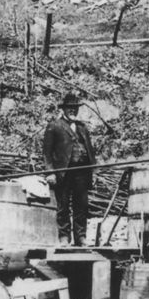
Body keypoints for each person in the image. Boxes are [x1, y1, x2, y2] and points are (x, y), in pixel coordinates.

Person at [43, 92, 97, 246]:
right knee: (63, 206)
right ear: (64, 109)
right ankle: (64, 237)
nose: (73, 110)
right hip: (63, 173)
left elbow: (90, 150)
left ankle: (81, 237)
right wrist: (50, 172)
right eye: (70, 108)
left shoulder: (82, 127)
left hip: (82, 172)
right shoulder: (54, 126)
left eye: (75, 108)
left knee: (82, 205)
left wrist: (93, 171)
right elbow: (47, 152)